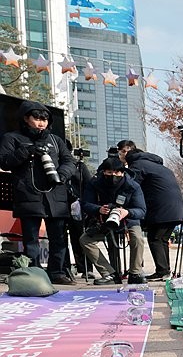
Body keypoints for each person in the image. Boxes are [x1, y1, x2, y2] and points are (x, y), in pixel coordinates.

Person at [0, 100, 77, 284]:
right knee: (31, 240)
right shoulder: (12, 138)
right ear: (26, 118)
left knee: (58, 238)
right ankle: (35, 273)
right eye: (37, 118)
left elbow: (70, 161)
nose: (41, 122)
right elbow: (4, 161)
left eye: (45, 119)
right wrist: (26, 152)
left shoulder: (55, 140)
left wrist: (62, 175)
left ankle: (57, 273)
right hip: (28, 194)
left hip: (55, 195)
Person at [119, 140, 183, 281]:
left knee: (155, 238)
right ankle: (165, 271)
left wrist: (119, 202)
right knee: (162, 239)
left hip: (161, 208)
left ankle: (162, 271)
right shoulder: (158, 166)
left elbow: (130, 186)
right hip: (175, 207)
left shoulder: (138, 165)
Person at [79, 157, 147, 285]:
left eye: (117, 172)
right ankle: (109, 274)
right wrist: (98, 209)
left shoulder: (132, 186)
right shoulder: (95, 183)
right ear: (104, 172)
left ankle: (135, 272)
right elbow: (85, 204)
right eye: (109, 172)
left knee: (137, 238)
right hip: (102, 219)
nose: (113, 175)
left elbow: (141, 210)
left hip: (128, 220)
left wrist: (127, 212)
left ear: (123, 172)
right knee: (85, 240)